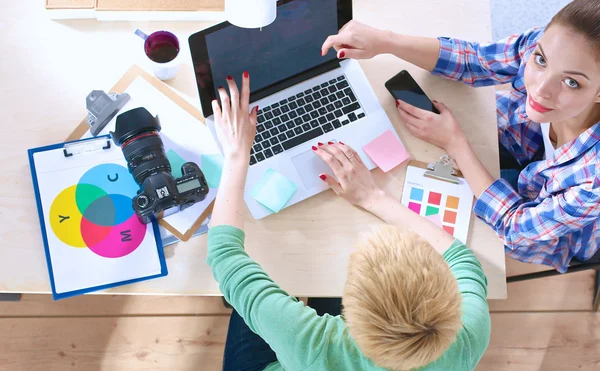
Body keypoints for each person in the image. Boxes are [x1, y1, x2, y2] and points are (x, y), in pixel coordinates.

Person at [208, 72, 490, 371]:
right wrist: (372, 197)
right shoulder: (468, 334)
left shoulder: (315, 346)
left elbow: (224, 256)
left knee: (265, 277)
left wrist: (237, 154)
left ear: (349, 317)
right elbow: (462, 259)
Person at [321, 0, 600, 272]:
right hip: (519, 147)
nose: (540, 89)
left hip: (542, 226)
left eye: (571, 82)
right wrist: (386, 42)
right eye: (540, 61)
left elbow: (516, 226)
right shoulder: (555, 46)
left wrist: (455, 143)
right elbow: (475, 60)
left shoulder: (593, 181)